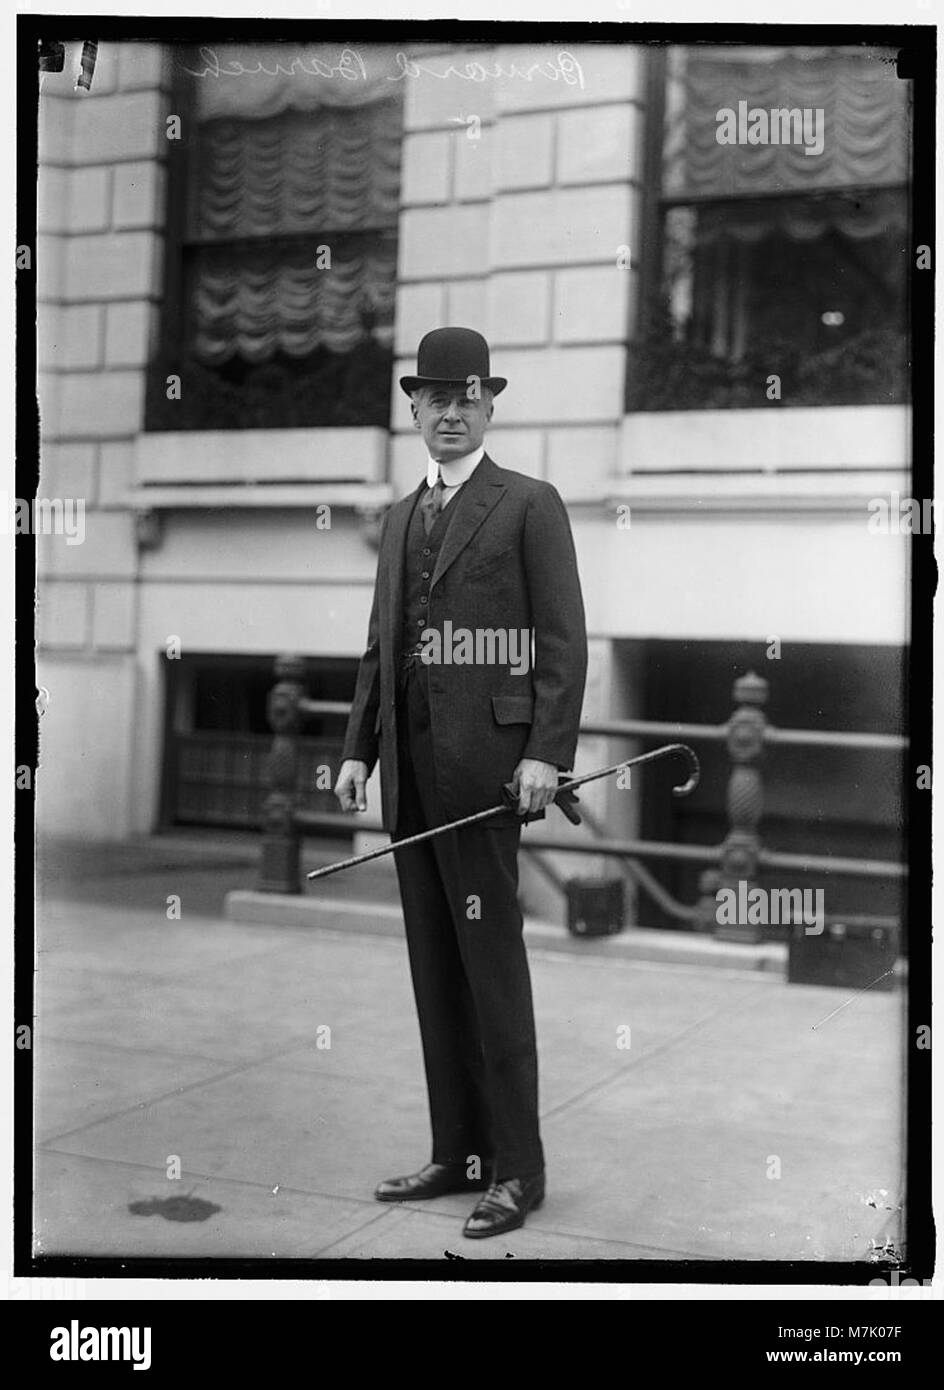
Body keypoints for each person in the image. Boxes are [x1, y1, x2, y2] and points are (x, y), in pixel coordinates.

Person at [335, 327, 587, 1239]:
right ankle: (459, 1153)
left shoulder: (528, 504)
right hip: (409, 774)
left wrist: (543, 755)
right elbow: (378, 641)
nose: (450, 411)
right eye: (433, 397)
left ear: (489, 403)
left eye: (466, 395)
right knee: (434, 972)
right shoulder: (401, 516)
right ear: (413, 409)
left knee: (491, 974)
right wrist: (359, 749)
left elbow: (560, 643)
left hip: (488, 777)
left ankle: (518, 1170)